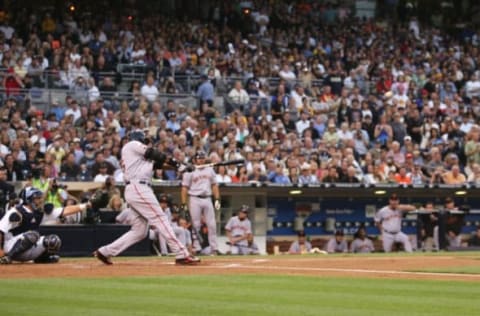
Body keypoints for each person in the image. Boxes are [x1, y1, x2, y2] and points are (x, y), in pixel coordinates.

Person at [93, 130, 200, 265]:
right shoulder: (132, 145)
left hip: (135, 189)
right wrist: (178, 164)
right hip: (139, 188)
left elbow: (159, 165)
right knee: (160, 219)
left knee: (139, 231)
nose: (147, 143)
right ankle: (181, 253)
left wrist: (182, 168)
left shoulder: (138, 159)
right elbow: (154, 154)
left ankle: (105, 251)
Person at [0, 187, 91, 264]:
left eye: (40, 198)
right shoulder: (16, 212)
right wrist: (0, 251)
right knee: (34, 234)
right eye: (37, 198)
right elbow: (1, 230)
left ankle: (41, 259)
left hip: (27, 248)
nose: (40, 200)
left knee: (54, 240)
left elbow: (65, 211)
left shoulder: (39, 212)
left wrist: (86, 205)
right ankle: (8, 258)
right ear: (28, 200)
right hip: (9, 246)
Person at [181, 150, 221, 255]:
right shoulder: (189, 170)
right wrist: (184, 203)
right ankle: (197, 247)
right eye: (199, 158)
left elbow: (214, 185)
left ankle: (214, 248)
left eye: (202, 158)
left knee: (212, 224)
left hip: (207, 197)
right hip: (194, 198)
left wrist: (217, 199)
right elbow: (184, 188)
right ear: (195, 159)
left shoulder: (209, 170)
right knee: (196, 224)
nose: (201, 160)